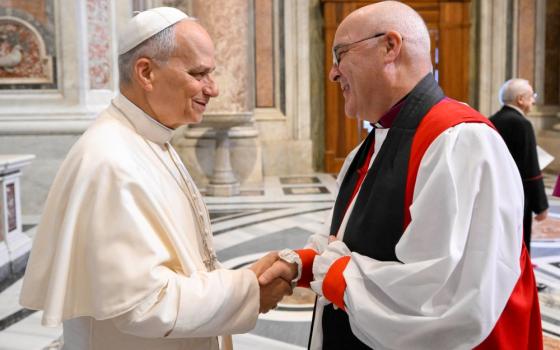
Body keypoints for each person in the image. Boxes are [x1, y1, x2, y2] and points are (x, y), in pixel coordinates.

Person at [259, 2, 542, 349]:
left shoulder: (461, 142)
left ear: (390, 47)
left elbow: (442, 299)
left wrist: (328, 271)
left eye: (340, 54)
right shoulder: (374, 141)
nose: (332, 73)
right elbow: (343, 237)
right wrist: (301, 263)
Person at [20, 7, 291, 350]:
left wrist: (241, 282)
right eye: (199, 74)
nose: (214, 89)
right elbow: (143, 303)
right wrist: (249, 290)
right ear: (146, 72)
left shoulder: (150, 138)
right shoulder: (109, 162)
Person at [490, 79, 549, 254]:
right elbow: (531, 169)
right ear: (520, 99)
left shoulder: (492, 119)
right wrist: (541, 205)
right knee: (518, 246)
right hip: (517, 196)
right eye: (532, 96)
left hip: (496, 193)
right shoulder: (522, 124)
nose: (533, 101)